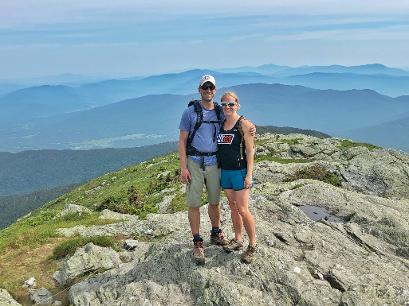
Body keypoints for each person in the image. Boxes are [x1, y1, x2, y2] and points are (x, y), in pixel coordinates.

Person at [178, 75, 229, 265]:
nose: (208, 90)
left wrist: (250, 128)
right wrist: (183, 167)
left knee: (214, 201)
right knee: (194, 203)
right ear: (199, 89)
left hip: (214, 161)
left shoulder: (219, 111)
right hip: (194, 161)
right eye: (205, 87)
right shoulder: (190, 112)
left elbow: (235, 122)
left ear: (215, 90)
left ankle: (216, 232)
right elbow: (182, 141)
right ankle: (197, 241)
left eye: (211, 87)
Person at [217, 91, 257, 264]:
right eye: (224, 104)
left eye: (231, 104)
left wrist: (249, 175)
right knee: (233, 207)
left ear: (237, 105)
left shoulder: (244, 124)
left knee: (242, 208)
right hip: (225, 171)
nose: (227, 107)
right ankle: (238, 239)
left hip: (240, 172)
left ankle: (253, 244)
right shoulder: (220, 123)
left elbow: (250, 151)